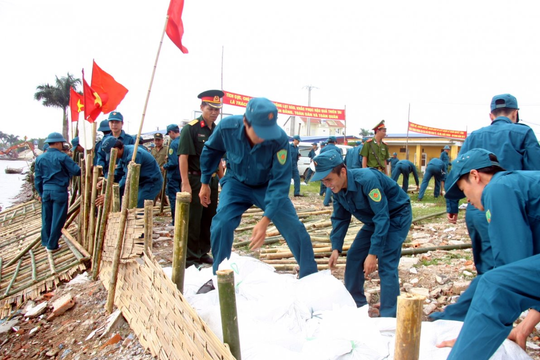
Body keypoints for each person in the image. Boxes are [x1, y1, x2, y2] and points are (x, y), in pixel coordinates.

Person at [431, 94, 540, 322]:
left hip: (476, 211)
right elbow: (534, 170)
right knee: (503, 272)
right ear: (515, 113)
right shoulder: (523, 132)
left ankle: (460, 318)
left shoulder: (475, 136)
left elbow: (456, 174)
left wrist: (453, 204)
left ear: (491, 115)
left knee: (489, 269)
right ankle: (471, 320)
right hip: (510, 208)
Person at [434, 148, 540, 358]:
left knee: (493, 282)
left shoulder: (498, 188)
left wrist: (473, 339)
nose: (468, 200)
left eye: (465, 192)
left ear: (475, 176)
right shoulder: (520, 184)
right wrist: (523, 328)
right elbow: (530, 280)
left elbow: (508, 276)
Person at [199, 97, 317, 278]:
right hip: (236, 183)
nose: (264, 137)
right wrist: (205, 182)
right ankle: (220, 276)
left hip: (267, 186)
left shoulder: (278, 139)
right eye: (260, 131)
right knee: (221, 224)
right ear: (246, 121)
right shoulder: (227, 127)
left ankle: (310, 275)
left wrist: (266, 219)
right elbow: (211, 151)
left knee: (294, 226)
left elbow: (280, 181)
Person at [311, 151, 412, 316]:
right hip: (375, 219)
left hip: (396, 215)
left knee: (386, 261)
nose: (327, 185)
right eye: (323, 181)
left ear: (343, 171)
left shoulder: (367, 180)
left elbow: (383, 216)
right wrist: (336, 248)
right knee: (354, 256)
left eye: (329, 179)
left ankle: (389, 314)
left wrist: (373, 253)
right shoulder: (337, 190)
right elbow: (340, 218)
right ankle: (356, 305)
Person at [179, 90, 224, 267]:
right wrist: (185, 183)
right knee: (194, 219)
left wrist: (223, 180)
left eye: (217, 109)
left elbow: (218, 157)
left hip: (211, 180)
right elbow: (183, 156)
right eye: (210, 108)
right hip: (195, 179)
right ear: (202, 107)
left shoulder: (217, 129)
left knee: (209, 217)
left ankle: (203, 252)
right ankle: (190, 258)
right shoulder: (191, 128)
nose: (214, 112)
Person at [35, 132, 81, 252]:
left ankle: (45, 241)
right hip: (59, 190)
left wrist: (40, 193)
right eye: (62, 143)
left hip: (46, 191)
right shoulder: (63, 157)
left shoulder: (40, 158)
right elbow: (77, 171)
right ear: (57, 143)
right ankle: (52, 245)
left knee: (46, 217)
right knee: (58, 218)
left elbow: (37, 179)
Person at [98, 137, 163, 208]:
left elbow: (127, 178)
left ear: (116, 149)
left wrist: (110, 194)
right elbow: (118, 172)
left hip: (151, 182)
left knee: (139, 206)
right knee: (132, 205)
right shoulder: (124, 153)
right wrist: (106, 180)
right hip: (141, 182)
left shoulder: (133, 155)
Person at [97, 111, 135, 183]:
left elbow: (133, 158)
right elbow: (100, 156)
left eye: (117, 122)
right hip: (108, 175)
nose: (114, 125)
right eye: (112, 122)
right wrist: (102, 167)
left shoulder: (129, 139)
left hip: (124, 176)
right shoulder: (104, 140)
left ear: (122, 123)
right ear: (109, 124)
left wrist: (120, 166)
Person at [163, 124, 182, 225]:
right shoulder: (184, 141)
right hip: (183, 174)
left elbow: (174, 162)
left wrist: (165, 166)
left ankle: (175, 220)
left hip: (174, 175)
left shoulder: (174, 144)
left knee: (174, 198)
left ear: (171, 132)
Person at [321, 136, 343, 206]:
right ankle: (326, 201)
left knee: (325, 182)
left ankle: (328, 199)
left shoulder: (323, 149)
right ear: (334, 142)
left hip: (324, 168)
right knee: (331, 184)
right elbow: (340, 160)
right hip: (333, 168)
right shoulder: (337, 149)